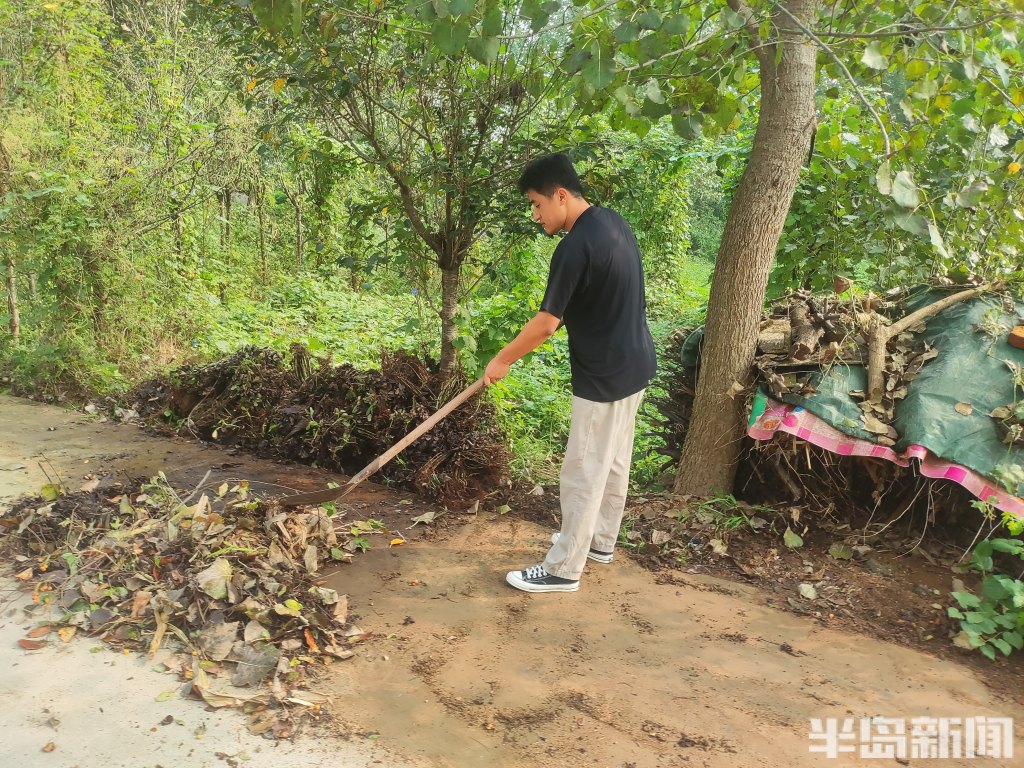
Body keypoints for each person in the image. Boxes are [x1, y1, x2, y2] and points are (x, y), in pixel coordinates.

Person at [483, 153, 657, 593]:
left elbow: (547, 323)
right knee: (613, 462)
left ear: (561, 195)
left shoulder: (574, 247)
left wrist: (502, 359)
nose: (535, 215)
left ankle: (563, 569)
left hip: (604, 377)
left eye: (537, 204)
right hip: (635, 364)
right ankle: (599, 542)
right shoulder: (612, 223)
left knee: (583, 470)